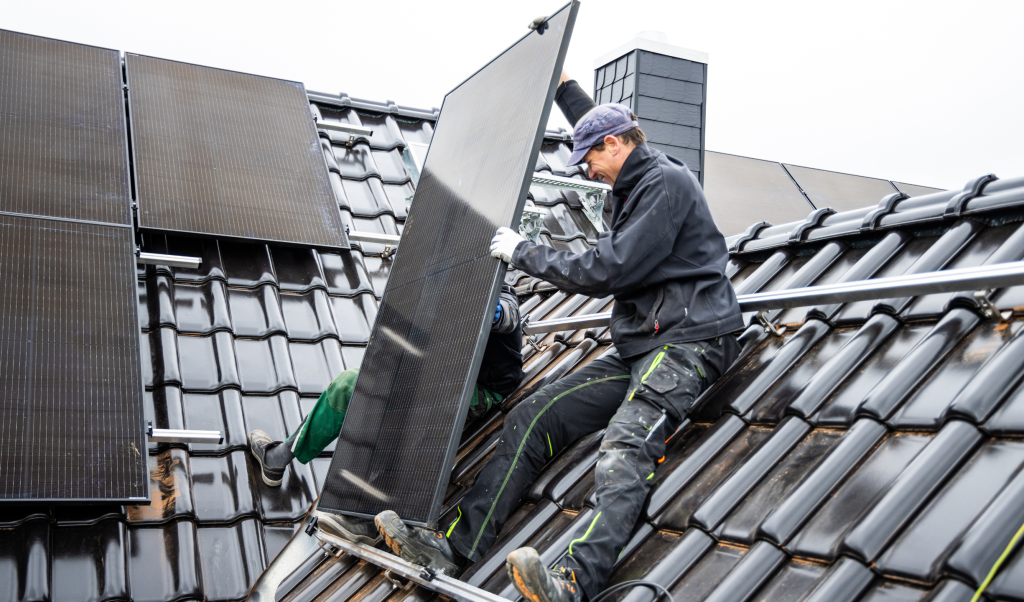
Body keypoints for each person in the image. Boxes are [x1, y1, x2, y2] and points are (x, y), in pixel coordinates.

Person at [373, 73, 743, 602]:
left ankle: (573, 584)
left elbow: (609, 268)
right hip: (643, 344)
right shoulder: (632, 175)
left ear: (615, 146)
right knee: (536, 412)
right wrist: (564, 87)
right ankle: (454, 547)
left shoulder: (664, 183)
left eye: (589, 158)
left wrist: (524, 252)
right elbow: (602, 125)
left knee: (625, 446)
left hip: (689, 343)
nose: (585, 171)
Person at [248, 283, 524, 544]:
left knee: (419, 399)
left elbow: (506, 314)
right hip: (429, 372)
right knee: (350, 383)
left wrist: (490, 309)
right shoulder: (435, 287)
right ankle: (278, 457)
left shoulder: (498, 288)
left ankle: (369, 515)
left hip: (480, 388)